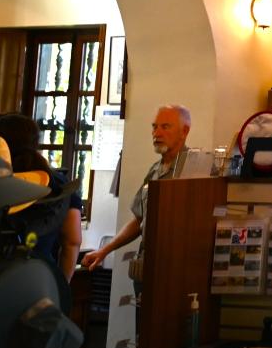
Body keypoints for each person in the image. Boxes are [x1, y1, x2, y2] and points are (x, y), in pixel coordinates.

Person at [81, 104, 190, 276]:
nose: (157, 133)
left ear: (184, 131)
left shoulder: (196, 168)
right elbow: (139, 219)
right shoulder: (155, 171)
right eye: (154, 127)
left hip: (178, 269)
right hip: (147, 264)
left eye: (165, 127)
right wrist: (104, 250)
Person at [0, 113, 82, 281]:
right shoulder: (59, 184)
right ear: (35, 142)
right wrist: (60, 286)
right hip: (41, 278)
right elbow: (72, 241)